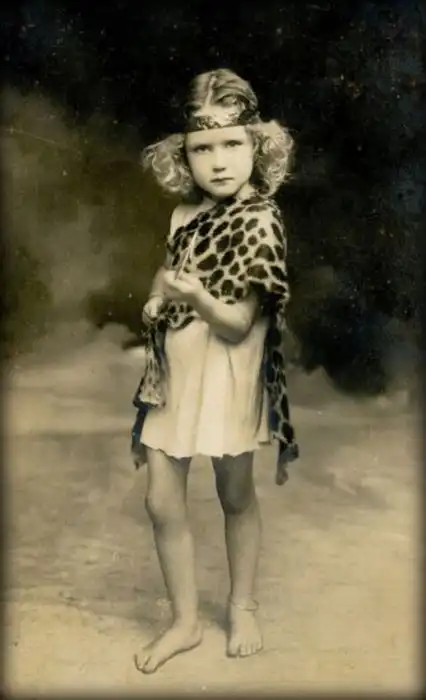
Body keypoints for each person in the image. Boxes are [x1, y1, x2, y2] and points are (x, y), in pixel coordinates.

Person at [131, 68, 299, 674]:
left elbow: (236, 324)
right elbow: (167, 270)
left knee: (234, 493)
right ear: (184, 155)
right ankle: (184, 621)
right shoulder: (184, 216)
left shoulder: (261, 221)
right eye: (203, 148)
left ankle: (242, 603)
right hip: (175, 374)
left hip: (228, 373)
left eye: (232, 143)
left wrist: (196, 298)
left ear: (258, 145)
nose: (219, 161)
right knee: (160, 501)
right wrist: (158, 298)